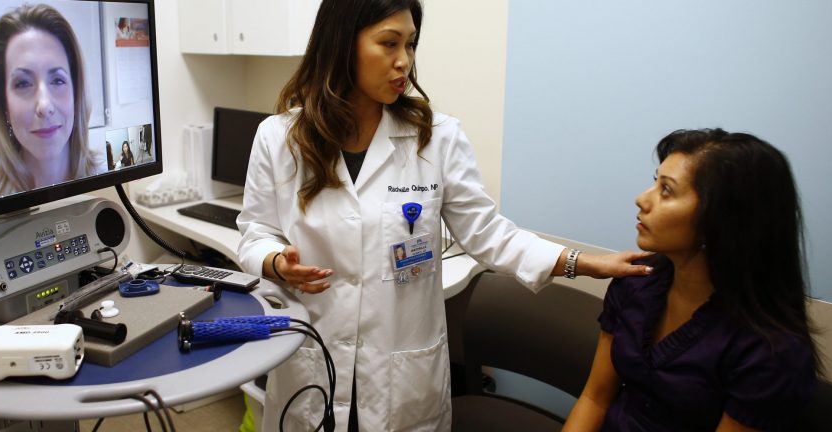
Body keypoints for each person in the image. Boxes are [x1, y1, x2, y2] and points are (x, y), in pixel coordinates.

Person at [235, 1, 651, 430]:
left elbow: (487, 233)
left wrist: (580, 263)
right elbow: (255, 231)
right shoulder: (280, 138)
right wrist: (274, 261)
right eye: (389, 43)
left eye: (411, 44)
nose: (405, 61)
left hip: (401, 380)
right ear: (341, 43)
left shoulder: (436, 137)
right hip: (313, 363)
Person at [563, 129, 820, 431]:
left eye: (666, 191)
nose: (642, 199)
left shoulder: (770, 352)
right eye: (654, 182)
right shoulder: (635, 282)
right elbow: (595, 399)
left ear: (722, 220)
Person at [0, 3, 101, 207]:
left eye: (58, 80)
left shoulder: (112, 186)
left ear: (76, 94)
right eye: (23, 83)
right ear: (3, 104)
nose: (44, 105)